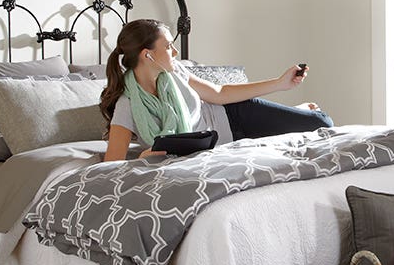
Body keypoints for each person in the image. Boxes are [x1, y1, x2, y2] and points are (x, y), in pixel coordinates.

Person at [99, 19, 333, 161]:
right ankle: (286, 115)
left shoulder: (176, 72)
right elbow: (112, 164)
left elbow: (220, 94)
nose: (175, 53)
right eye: (169, 46)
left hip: (235, 115)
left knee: (322, 123)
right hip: (222, 144)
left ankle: (292, 111)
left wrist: (281, 83)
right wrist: (142, 158)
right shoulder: (127, 105)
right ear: (147, 54)